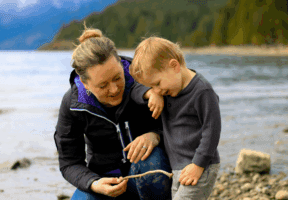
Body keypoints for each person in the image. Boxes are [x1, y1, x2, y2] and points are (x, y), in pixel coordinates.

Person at [54, 27, 172, 200]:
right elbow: (69, 163)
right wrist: (93, 183)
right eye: (103, 86)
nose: (114, 89)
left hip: (150, 174)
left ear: (121, 63)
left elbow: (183, 122)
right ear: (84, 83)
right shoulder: (72, 104)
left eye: (118, 77)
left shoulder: (145, 78)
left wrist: (155, 135)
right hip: (104, 181)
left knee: (150, 161)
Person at [129, 36, 221, 200]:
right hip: (177, 166)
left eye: (157, 84)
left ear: (174, 66)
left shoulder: (202, 91)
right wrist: (151, 94)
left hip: (200, 166)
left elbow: (212, 130)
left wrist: (198, 165)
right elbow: (134, 91)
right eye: (152, 87)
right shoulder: (168, 88)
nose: (157, 90)